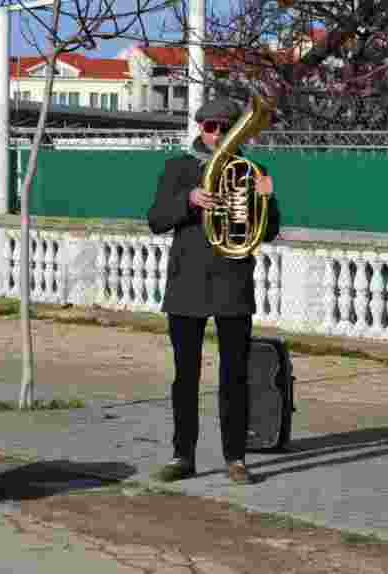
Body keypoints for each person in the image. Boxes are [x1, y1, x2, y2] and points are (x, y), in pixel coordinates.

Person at [146, 98, 281, 485]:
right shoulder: (178, 167)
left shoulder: (253, 170)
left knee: (235, 376)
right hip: (187, 282)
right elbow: (156, 219)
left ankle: (235, 458)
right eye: (210, 127)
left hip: (232, 280)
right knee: (185, 376)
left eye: (225, 127)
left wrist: (263, 198)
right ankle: (182, 456)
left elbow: (268, 231)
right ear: (200, 127)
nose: (218, 134)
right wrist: (188, 200)